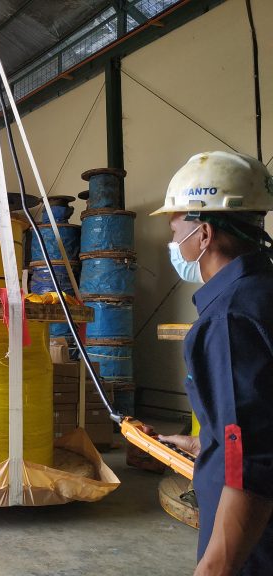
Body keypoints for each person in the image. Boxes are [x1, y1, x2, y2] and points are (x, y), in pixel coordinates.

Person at [152, 151, 273, 575]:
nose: (173, 244)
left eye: (175, 231)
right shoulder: (261, 292)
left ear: (203, 234)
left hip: (253, 549)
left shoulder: (228, 318)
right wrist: (205, 444)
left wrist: (214, 569)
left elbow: (250, 462)